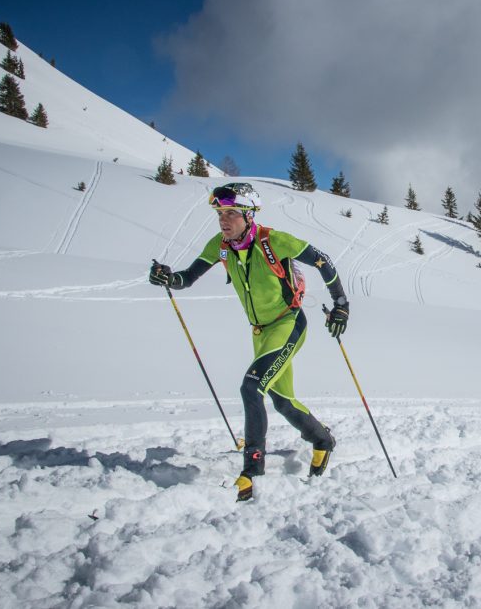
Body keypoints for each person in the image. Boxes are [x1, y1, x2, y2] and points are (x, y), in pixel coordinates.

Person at [149, 182, 349, 501]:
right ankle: (323, 441)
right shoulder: (221, 245)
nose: (223, 220)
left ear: (248, 215)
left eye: (230, 213)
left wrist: (341, 304)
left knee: (251, 386)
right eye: (220, 214)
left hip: (288, 324)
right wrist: (168, 278)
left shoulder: (274, 240)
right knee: (283, 401)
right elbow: (187, 278)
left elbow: (323, 261)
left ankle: (252, 471)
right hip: (259, 332)